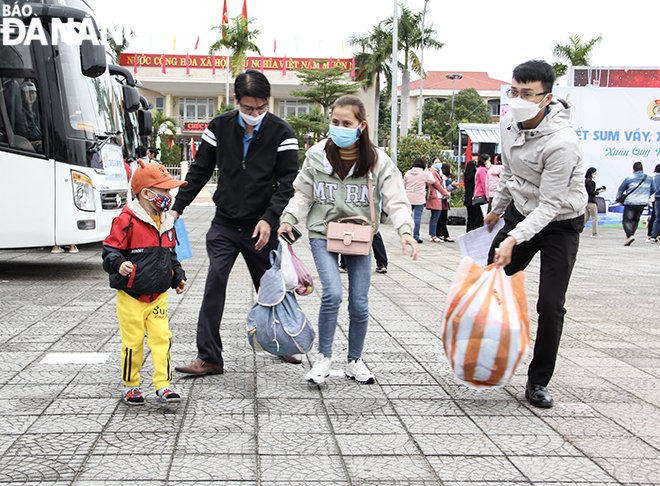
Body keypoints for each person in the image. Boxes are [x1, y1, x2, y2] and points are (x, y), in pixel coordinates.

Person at [278, 95, 418, 385]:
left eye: (346, 123)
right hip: (322, 231)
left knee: (359, 303)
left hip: (360, 235)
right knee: (332, 294)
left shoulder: (377, 160)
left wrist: (405, 231)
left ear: (361, 125)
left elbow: (396, 200)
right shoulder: (317, 156)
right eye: (334, 122)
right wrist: (289, 218)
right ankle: (324, 358)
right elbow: (303, 193)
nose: (339, 128)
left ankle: (355, 360)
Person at [172, 70, 301, 375]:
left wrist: (270, 219)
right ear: (236, 102)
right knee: (214, 284)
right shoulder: (219, 127)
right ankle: (210, 357)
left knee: (271, 288)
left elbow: (286, 183)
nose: (254, 114)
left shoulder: (282, 133)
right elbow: (199, 171)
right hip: (225, 225)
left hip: (261, 227)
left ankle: (283, 342)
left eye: (260, 108)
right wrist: (177, 208)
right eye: (247, 109)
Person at [484, 60, 587, 408]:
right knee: (491, 276)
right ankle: (488, 355)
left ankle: (538, 381)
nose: (518, 99)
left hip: (560, 222)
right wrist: (497, 210)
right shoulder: (508, 124)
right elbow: (510, 173)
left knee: (551, 305)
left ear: (546, 98)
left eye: (527, 93)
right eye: (514, 91)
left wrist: (514, 238)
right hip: (521, 211)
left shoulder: (563, 143)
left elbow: (550, 205)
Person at [102, 161, 187, 405]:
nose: (169, 197)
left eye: (170, 192)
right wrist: (119, 263)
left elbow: (170, 255)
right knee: (133, 342)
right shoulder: (126, 220)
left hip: (158, 296)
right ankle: (131, 385)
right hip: (131, 296)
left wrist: (177, 277)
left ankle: (164, 385)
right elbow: (109, 251)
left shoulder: (167, 222)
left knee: (162, 338)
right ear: (146, 192)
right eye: (164, 192)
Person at [616, 161, 656, 246]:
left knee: (627, 220)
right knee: (636, 219)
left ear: (633, 169)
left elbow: (621, 189)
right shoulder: (649, 178)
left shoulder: (629, 178)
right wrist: (646, 195)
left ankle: (629, 235)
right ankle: (631, 235)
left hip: (630, 202)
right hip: (642, 202)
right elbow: (654, 189)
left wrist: (618, 199)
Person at [403, 157, 435, 243]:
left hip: (408, 198)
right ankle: (416, 236)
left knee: (407, 218)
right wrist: (427, 171)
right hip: (419, 199)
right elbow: (432, 180)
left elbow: (403, 185)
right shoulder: (424, 174)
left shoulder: (407, 173)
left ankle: (407, 235)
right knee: (417, 218)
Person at [425, 161, 449, 242]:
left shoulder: (436, 172)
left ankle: (433, 234)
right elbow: (437, 185)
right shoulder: (432, 172)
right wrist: (445, 192)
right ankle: (433, 235)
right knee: (435, 217)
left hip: (437, 196)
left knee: (435, 217)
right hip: (435, 196)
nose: (439, 164)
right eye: (437, 162)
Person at [435, 163, 456, 242]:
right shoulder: (444, 179)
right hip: (443, 200)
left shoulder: (442, 178)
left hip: (442, 199)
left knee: (440, 218)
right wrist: (452, 185)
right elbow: (449, 189)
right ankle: (444, 234)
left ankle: (439, 234)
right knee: (442, 218)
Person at [584, 167, 606, 237]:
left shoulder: (585, 181)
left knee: (586, 218)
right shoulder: (592, 182)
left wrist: (597, 190)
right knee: (594, 218)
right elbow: (591, 192)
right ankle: (594, 233)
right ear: (592, 173)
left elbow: (589, 191)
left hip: (586, 202)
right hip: (591, 202)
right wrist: (598, 192)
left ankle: (577, 229)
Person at [463, 160, 483, 231]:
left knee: (470, 217)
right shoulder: (474, 175)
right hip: (474, 198)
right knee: (476, 216)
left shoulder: (466, 175)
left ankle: (468, 230)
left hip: (467, 199)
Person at [649, 163, 660, 243]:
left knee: (656, 218)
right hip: (656, 198)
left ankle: (653, 235)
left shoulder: (654, 177)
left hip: (656, 198)